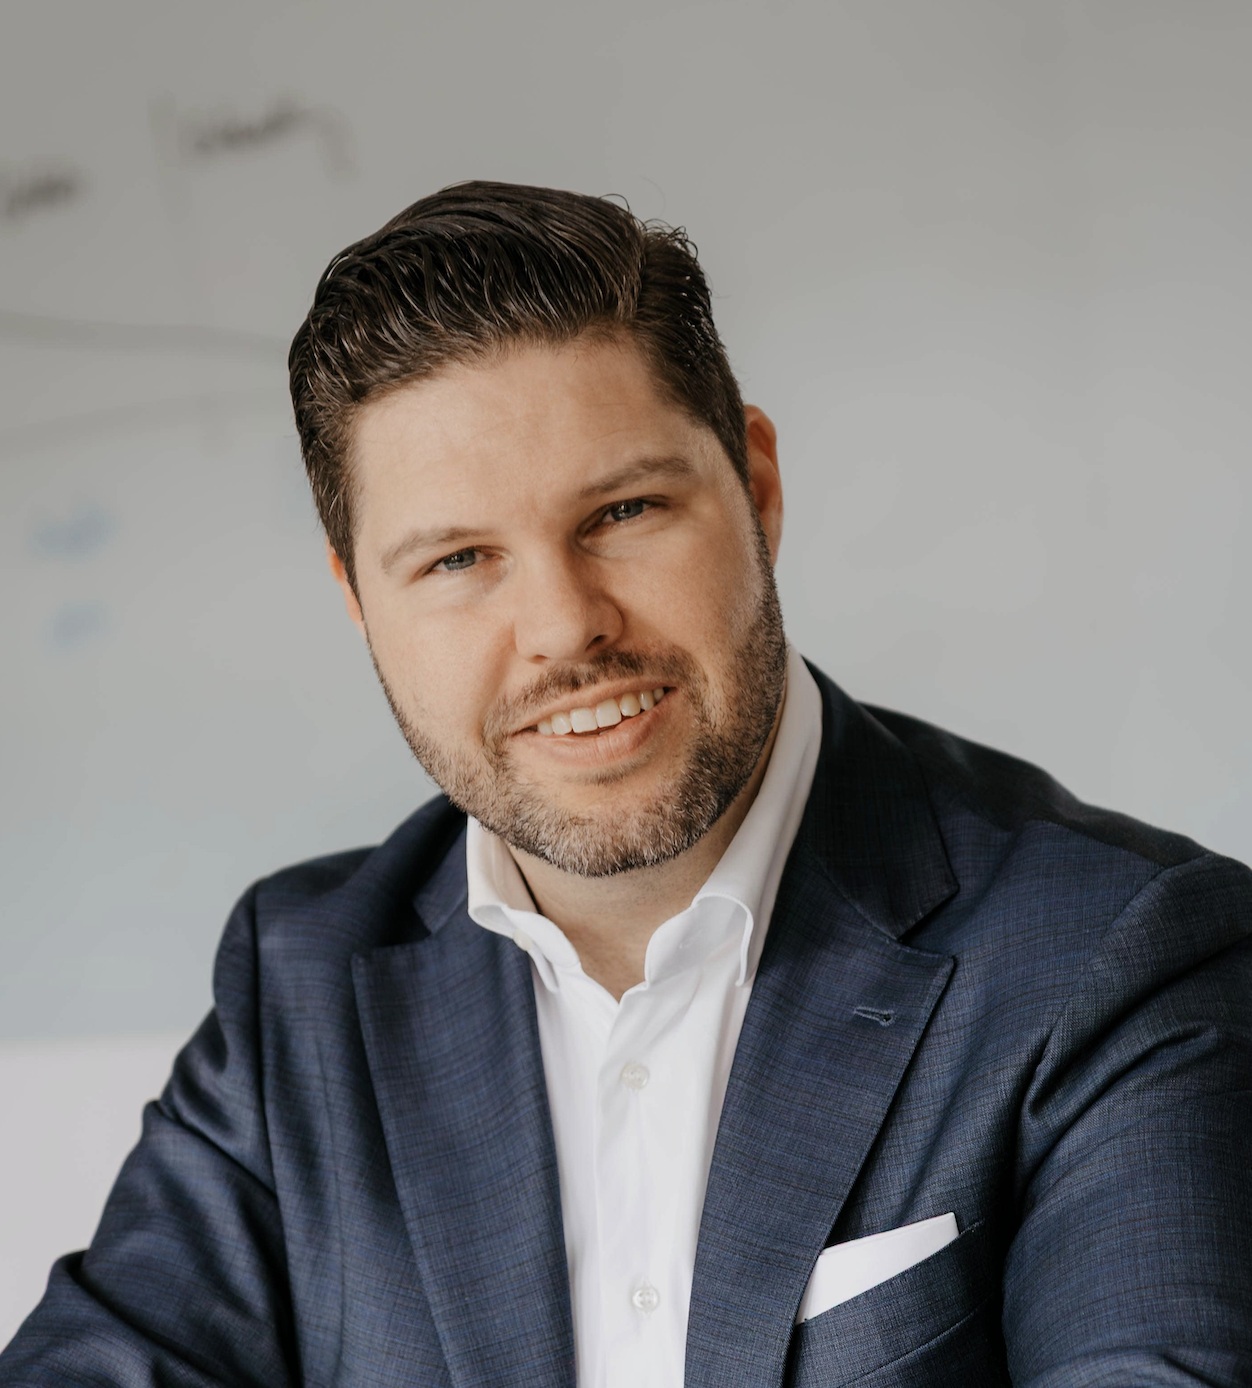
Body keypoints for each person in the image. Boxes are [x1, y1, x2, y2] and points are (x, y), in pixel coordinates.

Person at [3, 181, 1249, 1388]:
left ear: (754, 484)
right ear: (357, 600)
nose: (563, 626)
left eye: (624, 510)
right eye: (457, 559)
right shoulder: (303, 986)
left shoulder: (1119, 957)